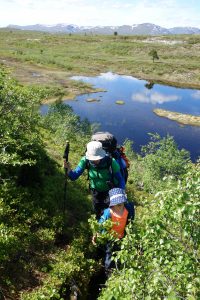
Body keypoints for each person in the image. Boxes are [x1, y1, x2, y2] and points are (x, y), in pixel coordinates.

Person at [64, 141, 125, 219]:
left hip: (110, 192)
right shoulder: (85, 160)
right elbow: (74, 176)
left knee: (108, 213)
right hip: (95, 192)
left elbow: (120, 179)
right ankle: (98, 225)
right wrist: (68, 170)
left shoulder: (111, 162)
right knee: (97, 210)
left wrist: (120, 195)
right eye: (92, 158)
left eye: (97, 158)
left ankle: (106, 228)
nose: (94, 161)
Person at [92, 188, 134, 277]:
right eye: (117, 204)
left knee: (120, 254)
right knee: (109, 256)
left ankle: (118, 268)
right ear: (112, 204)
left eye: (121, 204)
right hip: (110, 239)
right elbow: (100, 225)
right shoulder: (108, 213)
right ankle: (108, 273)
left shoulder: (127, 210)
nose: (120, 206)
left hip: (122, 238)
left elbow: (130, 222)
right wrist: (95, 235)